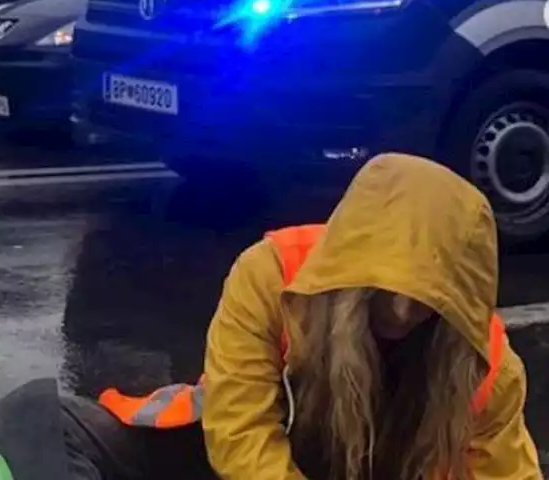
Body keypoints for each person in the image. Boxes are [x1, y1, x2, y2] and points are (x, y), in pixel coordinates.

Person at [54, 153, 539, 479]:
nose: (402, 311)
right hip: (227, 466)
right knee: (56, 428)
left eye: (429, 302)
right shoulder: (270, 275)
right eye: (385, 290)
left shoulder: (488, 364)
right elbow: (240, 431)